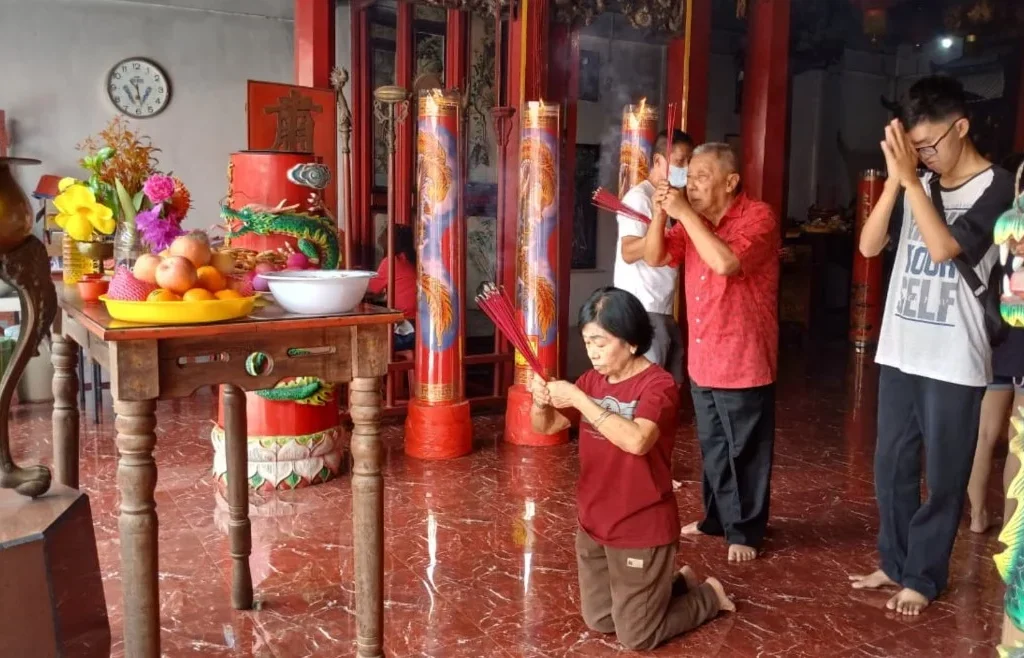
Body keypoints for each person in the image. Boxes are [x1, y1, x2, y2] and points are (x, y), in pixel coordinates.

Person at [849, 75, 1014, 615]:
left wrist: (913, 184)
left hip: (955, 356)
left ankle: (923, 575)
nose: (923, 156)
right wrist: (899, 182)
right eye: (913, 148)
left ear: (960, 128)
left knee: (943, 477)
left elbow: (945, 248)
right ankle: (893, 563)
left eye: (929, 146)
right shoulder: (915, 181)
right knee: (890, 467)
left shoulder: (998, 186)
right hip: (900, 348)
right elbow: (871, 246)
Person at [528, 287, 733, 650]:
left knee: (637, 636)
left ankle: (709, 597)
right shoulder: (592, 380)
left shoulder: (659, 385)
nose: (592, 352)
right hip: (593, 520)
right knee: (601, 619)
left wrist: (578, 398)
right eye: (587, 342)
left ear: (632, 342)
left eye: (601, 343)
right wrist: (541, 402)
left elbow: (638, 440)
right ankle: (674, 585)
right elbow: (548, 427)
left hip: (641, 525)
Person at [643, 142, 780, 563]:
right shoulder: (693, 220)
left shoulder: (759, 216)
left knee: (746, 451)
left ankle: (746, 531)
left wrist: (684, 212)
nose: (693, 185)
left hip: (743, 358)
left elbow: (726, 263)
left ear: (731, 181)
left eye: (701, 176)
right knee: (714, 446)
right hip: (703, 357)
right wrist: (663, 211)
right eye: (690, 176)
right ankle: (716, 520)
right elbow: (654, 255)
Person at [967, 152, 1024, 534]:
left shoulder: (1002, 228)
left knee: (985, 435)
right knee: (1019, 442)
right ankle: (1010, 523)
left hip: (995, 339)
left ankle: (976, 516)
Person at [613, 129, 694, 384]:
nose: (686, 168)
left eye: (689, 161)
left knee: (669, 379)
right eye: (680, 162)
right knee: (649, 382)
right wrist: (662, 233)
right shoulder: (639, 198)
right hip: (643, 305)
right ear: (659, 161)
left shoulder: (674, 200)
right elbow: (628, 251)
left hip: (662, 304)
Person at [366, 224, 417, 350]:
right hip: (422, 327)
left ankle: (401, 355)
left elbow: (371, 289)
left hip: (405, 330)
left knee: (368, 340)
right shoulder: (414, 260)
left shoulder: (391, 262)